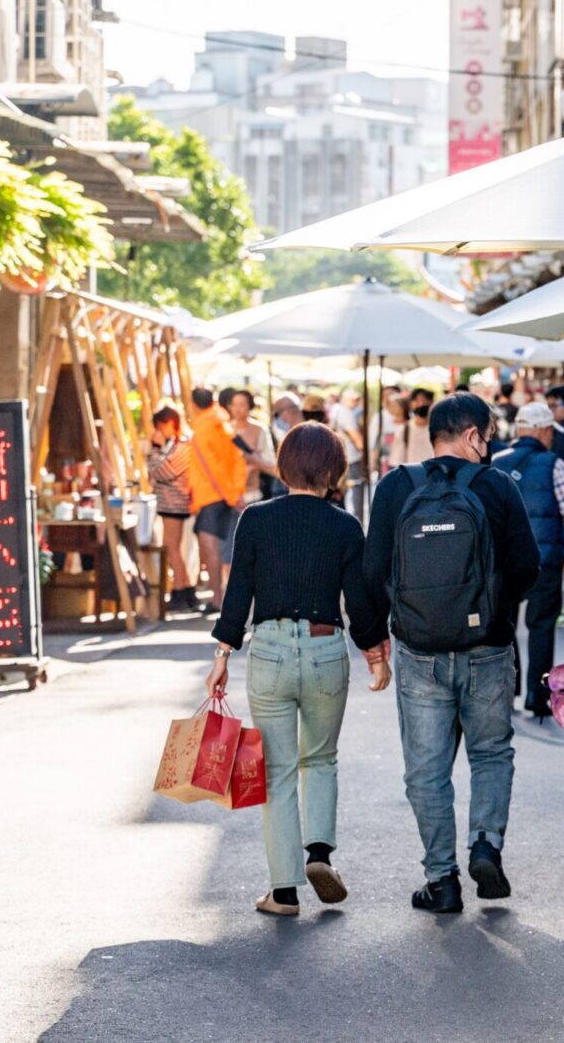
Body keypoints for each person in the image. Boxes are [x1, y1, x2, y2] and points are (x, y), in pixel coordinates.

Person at [366, 393, 540, 914]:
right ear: (471, 436)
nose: (490, 446)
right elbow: (528, 565)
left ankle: (441, 880)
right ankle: (485, 843)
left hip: (419, 652)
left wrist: (384, 628)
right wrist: (494, 614)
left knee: (426, 768)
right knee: (490, 753)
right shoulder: (495, 486)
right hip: (487, 649)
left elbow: (373, 567)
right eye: (488, 436)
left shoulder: (397, 486)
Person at [205, 422, 386, 916]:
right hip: (327, 650)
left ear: (283, 467)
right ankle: (320, 854)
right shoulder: (345, 525)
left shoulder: (256, 520)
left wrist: (222, 656)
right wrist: (374, 651)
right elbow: (360, 600)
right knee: (321, 760)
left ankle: (283, 892)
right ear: (334, 471)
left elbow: (237, 594)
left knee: (278, 772)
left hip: (269, 652)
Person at [492, 402, 564, 718]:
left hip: (503, 562)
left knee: (505, 624)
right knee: (541, 626)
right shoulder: (554, 464)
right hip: (544, 561)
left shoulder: (496, 463)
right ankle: (538, 694)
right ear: (544, 430)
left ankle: (510, 690)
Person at [187, 386, 248, 613]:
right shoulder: (222, 424)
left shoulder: (204, 427)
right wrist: (236, 492)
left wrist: (232, 496)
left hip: (212, 494)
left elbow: (211, 466)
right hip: (222, 493)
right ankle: (220, 597)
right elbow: (238, 459)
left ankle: (217, 599)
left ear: (193, 405)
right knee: (222, 548)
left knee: (211, 546)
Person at [147, 404, 199, 612]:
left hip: (175, 503)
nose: (160, 431)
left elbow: (163, 472)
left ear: (170, 423)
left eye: (161, 426)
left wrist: (154, 450)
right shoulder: (175, 444)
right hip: (171, 503)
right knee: (174, 548)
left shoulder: (182, 446)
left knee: (172, 548)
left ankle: (180, 590)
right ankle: (186, 590)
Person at [225, 389, 279, 506]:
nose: (237, 409)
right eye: (234, 405)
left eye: (242, 404)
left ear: (250, 406)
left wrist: (253, 465)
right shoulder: (224, 430)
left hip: (253, 493)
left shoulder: (259, 429)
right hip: (228, 493)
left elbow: (269, 461)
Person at [330, 388, 368, 518]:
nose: (356, 402)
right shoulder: (346, 413)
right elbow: (356, 437)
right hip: (351, 457)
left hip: (342, 456)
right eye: (354, 400)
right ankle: (357, 518)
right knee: (356, 489)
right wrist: (364, 453)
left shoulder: (337, 410)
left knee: (343, 491)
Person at [376, 392, 410, 470]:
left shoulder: (409, 426)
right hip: (387, 463)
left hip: (404, 463)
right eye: (391, 406)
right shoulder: (386, 424)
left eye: (395, 405)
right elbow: (381, 445)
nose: (392, 408)